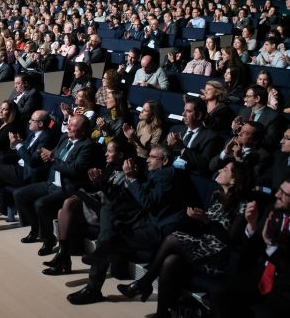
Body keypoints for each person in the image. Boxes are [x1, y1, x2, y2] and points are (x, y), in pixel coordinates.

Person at [118, 161, 253, 318]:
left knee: (172, 239)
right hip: (204, 246)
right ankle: (162, 313)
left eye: (226, 169)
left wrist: (206, 221)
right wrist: (197, 218)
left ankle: (144, 283)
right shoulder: (218, 196)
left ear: (234, 180)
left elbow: (230, 239)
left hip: (218, 257)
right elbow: (207, 227)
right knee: (170, 261)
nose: (220, 170)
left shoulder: (243, 205)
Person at [67, 144, 188, 305]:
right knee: (107, 210)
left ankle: (93, 289)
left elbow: (147, 202)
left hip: (157, 229)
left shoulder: (165, 175)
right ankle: (98, 273)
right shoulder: (154, 173)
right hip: (142, 220)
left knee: (108, 241)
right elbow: (126, 197)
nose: (147, 160)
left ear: (164, 161)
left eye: (152, 157)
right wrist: (102, 182)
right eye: (148, 156)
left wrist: (131, 179)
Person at [13, 115, 102, 257]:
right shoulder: (64, 138)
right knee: (19, 194)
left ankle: (48, 240)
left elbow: (74, 170)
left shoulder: (87, 146)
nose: (69, 127)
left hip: (67, 188)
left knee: (41, 204)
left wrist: (53, 158)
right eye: (69, 124)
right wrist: (44, 154)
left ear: (83, 131)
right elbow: (53, 153)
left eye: (73, 126)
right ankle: (35, 229)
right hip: (51, 183)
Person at [42, 140, 130, 275]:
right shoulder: (109, 166)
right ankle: (64, 257)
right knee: (61, 212)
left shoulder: (128, 173)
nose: (106, 154)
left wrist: (100, 182)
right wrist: (96, 181)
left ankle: (63, 254)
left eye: (110, 151)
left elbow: (115, 199)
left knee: (68, 204)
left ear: (120, 155)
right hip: (98, 202)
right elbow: (98, 188)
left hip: (108, 212)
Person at [211, 174, 290, 318]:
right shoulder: (272, 210)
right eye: (280, 190)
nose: (277, 195)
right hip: (262, 273)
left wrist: (271, 244)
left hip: (284, 286)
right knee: (219, 292)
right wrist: (252, 226)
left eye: (285, 194)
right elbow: (250, 251)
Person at [167, 97, 222, 175]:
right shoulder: (175, 129)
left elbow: (204, 164)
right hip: (169, 171)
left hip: (189, 176)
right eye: (184, 110)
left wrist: (182, 148)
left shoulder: (211, 137)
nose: (183, 114)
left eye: (188, 111)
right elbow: (161, 151)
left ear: (199, 115)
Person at [209, 121, 272, 188]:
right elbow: (212, 167)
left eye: (244, 133)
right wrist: (225, 152)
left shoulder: (263, 156)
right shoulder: (231, 143)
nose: (239, 134)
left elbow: (249, 180)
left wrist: (239, 159)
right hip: (214, 182)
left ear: (255, 140)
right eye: (240, 130)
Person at [235, 84, 285, 151]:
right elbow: (237, 134)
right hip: (238, 147)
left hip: (256, 151)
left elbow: (270, 141)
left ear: (257, 99)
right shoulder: (244, 111)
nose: (245, 99)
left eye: (248, 96)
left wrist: (249, 135)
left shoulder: (274, 117)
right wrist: (235, 129)